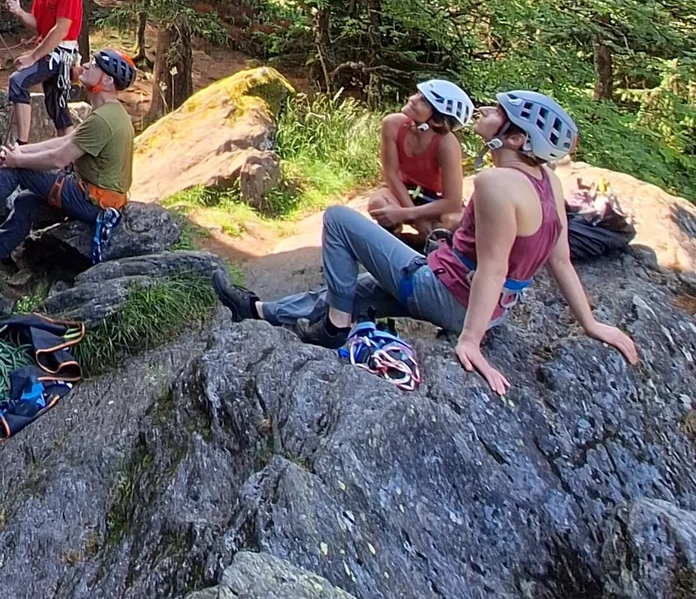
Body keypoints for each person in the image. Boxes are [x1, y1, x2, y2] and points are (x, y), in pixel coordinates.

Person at [214, 90, 641, 398]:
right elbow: (560, 259)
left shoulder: (495, 183)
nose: (487, 110)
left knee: (339, 221)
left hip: (447, 295)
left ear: (514, 139)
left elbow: (492, 268)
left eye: (498, 111)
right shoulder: (547, 179)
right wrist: (590, 323)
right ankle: (259, 311)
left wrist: (469, 340)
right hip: (483, 306)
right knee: (359, 290)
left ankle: (334, 327)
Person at [0, 48, 138, 271]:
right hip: (98, 199)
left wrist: (17, 162)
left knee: (17, 171)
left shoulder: (103, 120)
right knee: (26, 201)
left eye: (96, 65)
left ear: (107, 80)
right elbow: (64, 142)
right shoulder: (110, 113)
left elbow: (59, 158)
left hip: (93, 201)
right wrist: (21, 152)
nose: (86, 65)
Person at [365, 78, 473, 244]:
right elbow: (391, 174)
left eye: (423, 101)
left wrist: (407, 214)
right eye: (418, 94)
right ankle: (394, 242)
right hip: (403, 191)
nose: (413, 99)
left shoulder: (447, 143)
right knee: (379, 203)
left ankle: (424, 243)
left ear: (436, 120)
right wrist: (413, 216)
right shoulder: (392, 124)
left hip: (434, 201)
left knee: (453, 222)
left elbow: (452, 202)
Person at [1, 0, 85, 143]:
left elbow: (61, 29)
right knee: (56, 107)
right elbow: (41, 25)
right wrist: (19, 12)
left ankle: (21, 144)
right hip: (50, 50)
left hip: (61, 53)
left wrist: (33, 57)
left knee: (18, 81)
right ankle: (68, 157)